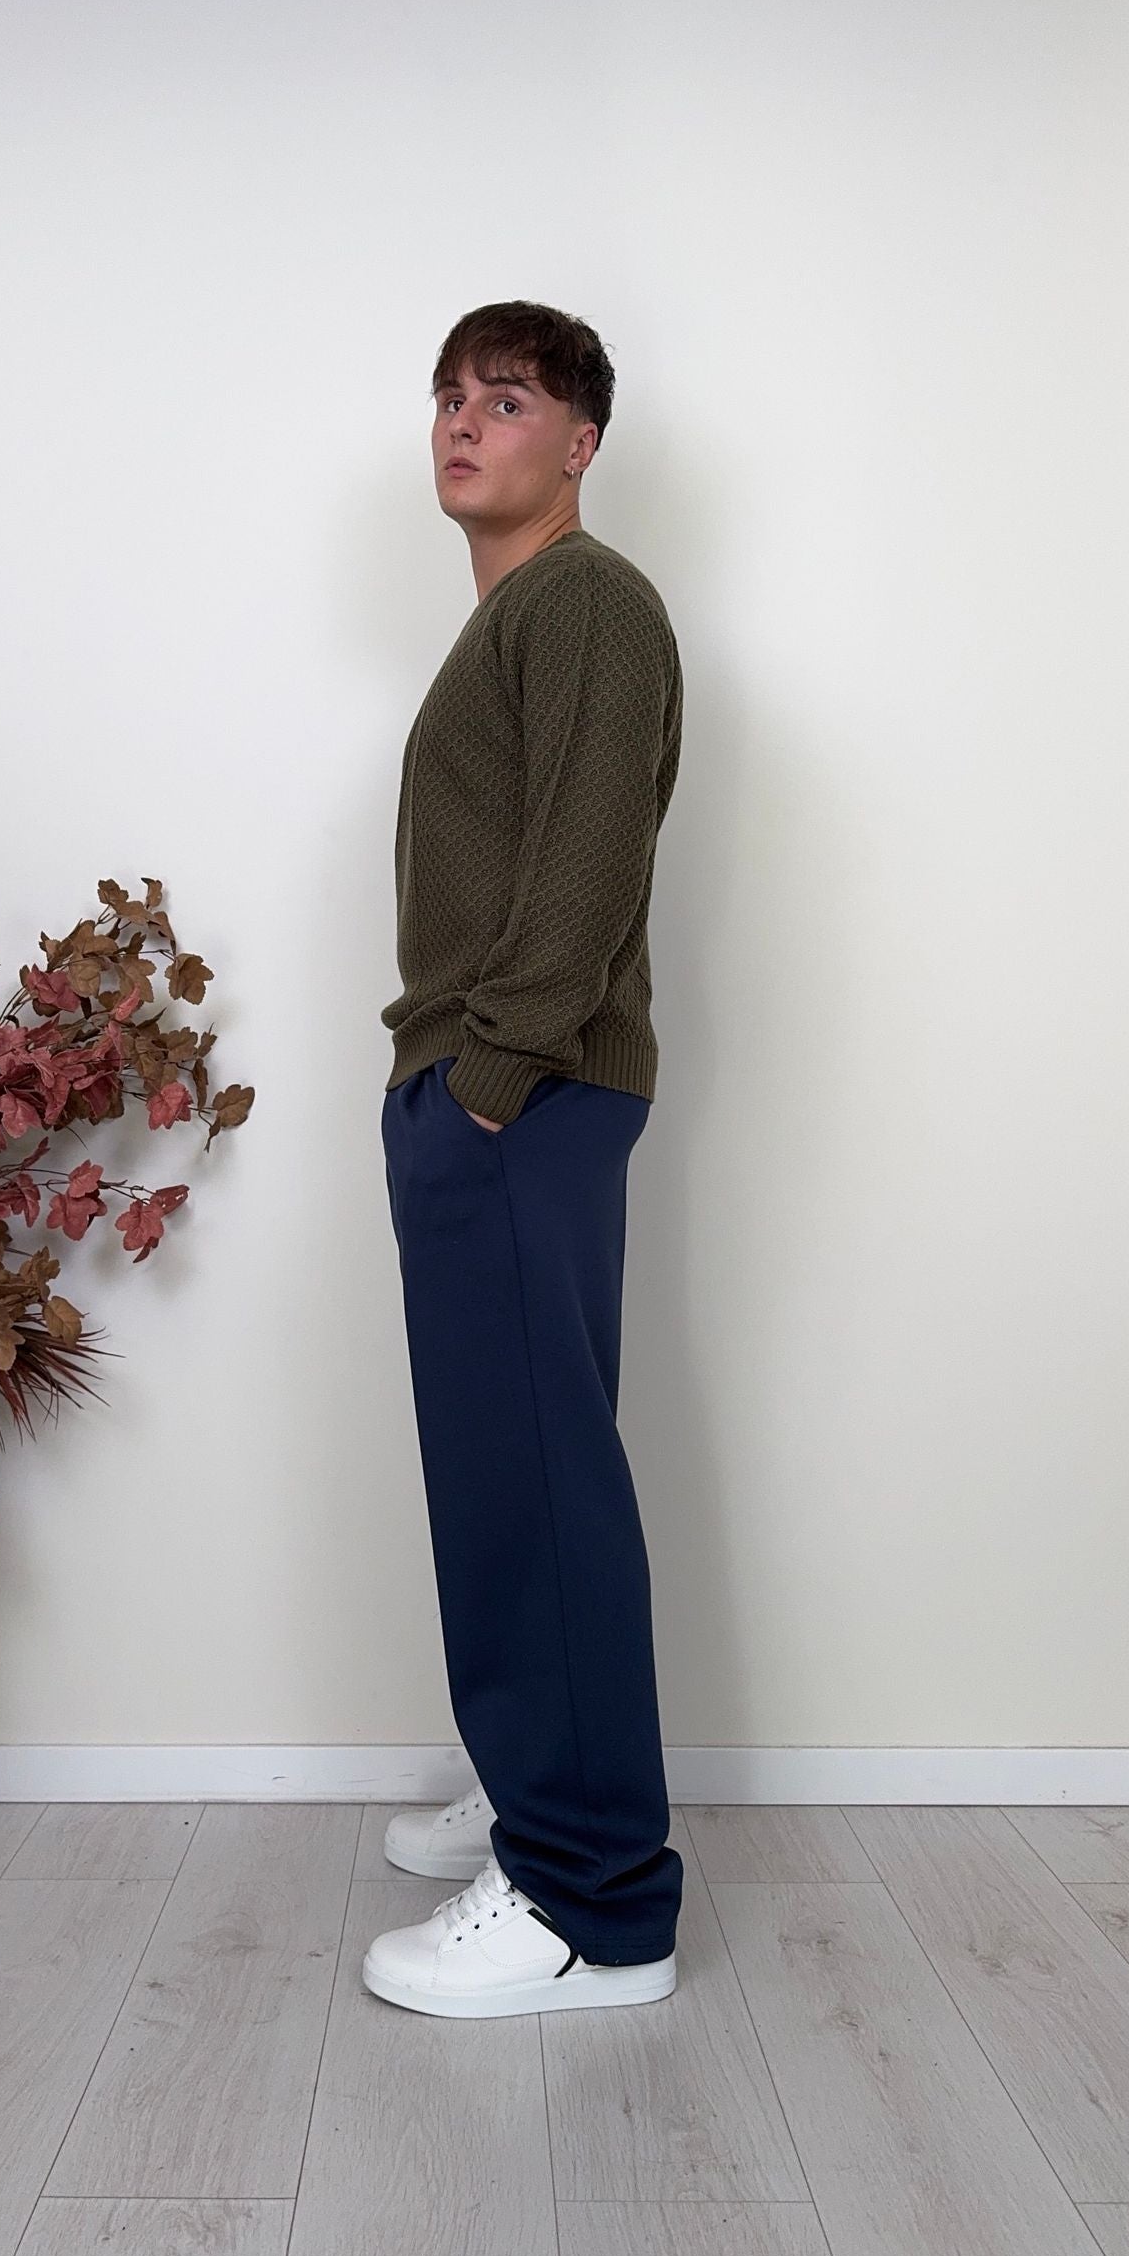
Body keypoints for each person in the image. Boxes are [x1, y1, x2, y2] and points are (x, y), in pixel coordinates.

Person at [364, 298, 685, 2019]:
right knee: (515, 1472)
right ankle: (534, 1787)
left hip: (523, 1094)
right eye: (448, 396)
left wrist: (485, 1079)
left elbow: (588, 856)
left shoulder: (587, 602)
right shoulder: (521, 617)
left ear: (581, 443)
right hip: (508, 1094)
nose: (461, 421)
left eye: (505, 398)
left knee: (536, 1487)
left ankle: (592, 1900)